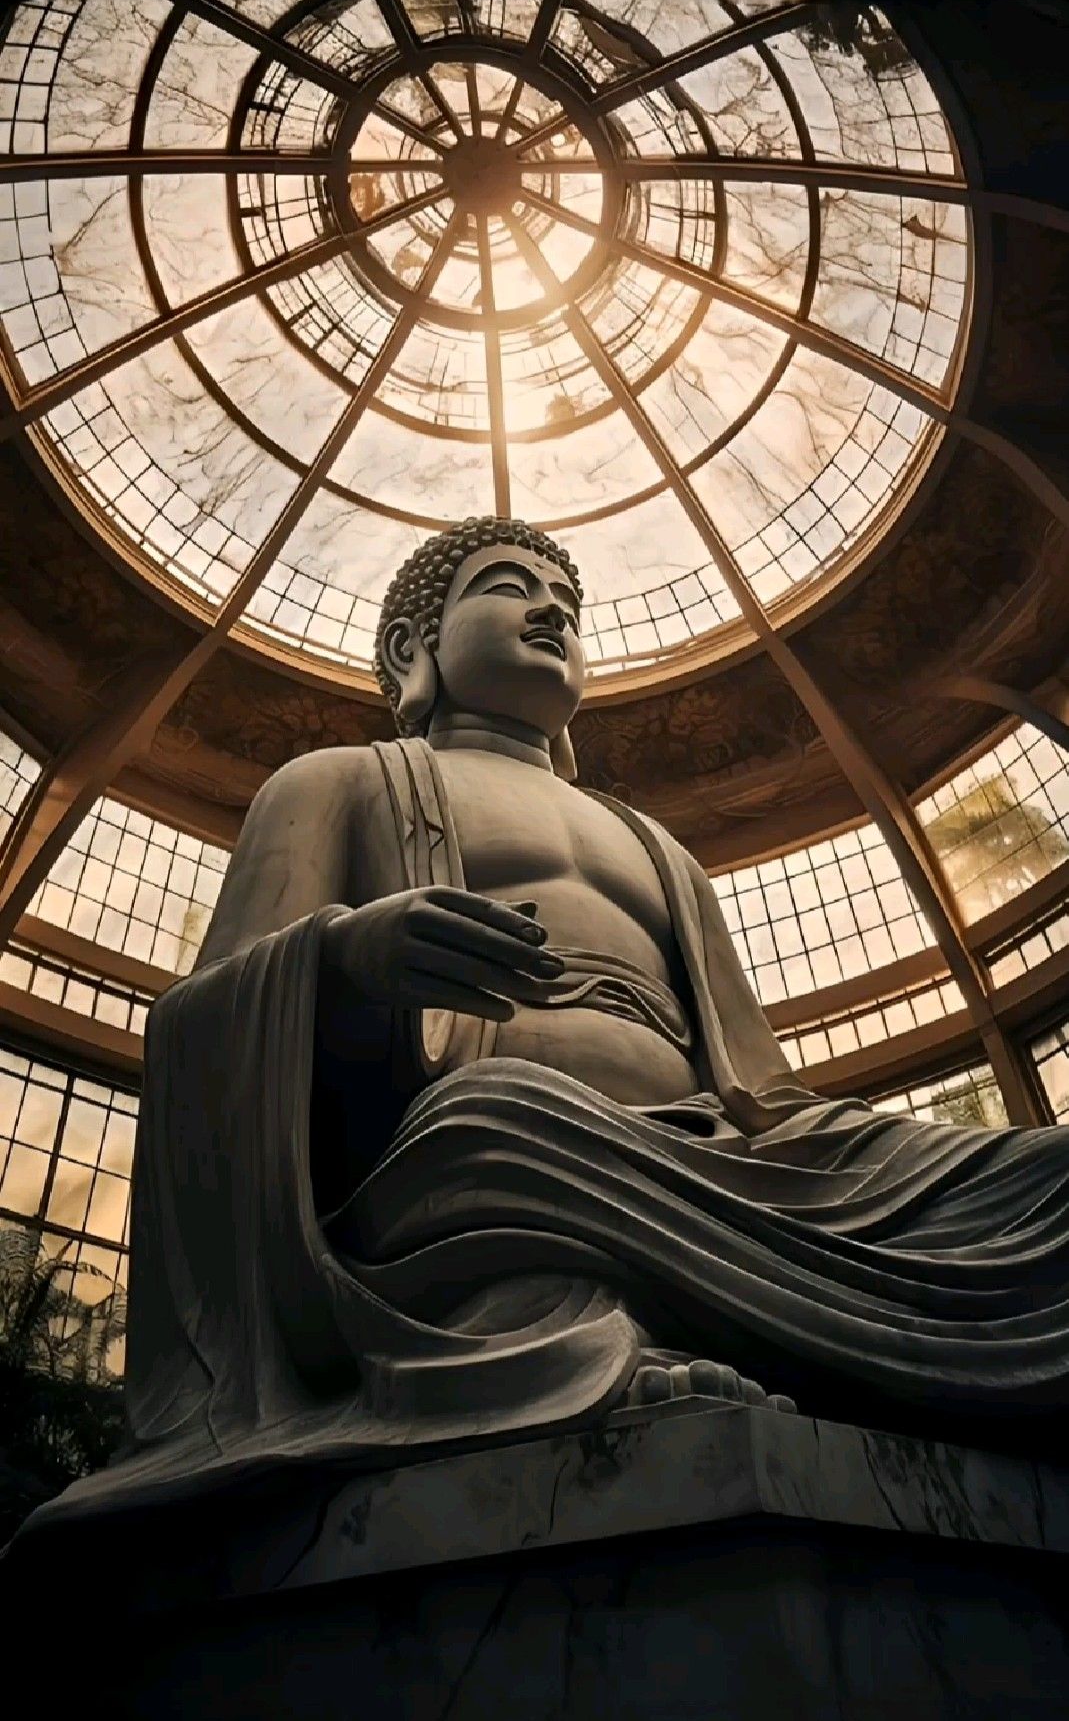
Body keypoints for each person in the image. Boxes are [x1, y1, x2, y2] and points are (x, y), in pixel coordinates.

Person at [24, 517, 1069, 1535]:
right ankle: (566, 1334)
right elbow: (200, 1029)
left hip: (727, 1152)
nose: (550, 609)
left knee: (1040, 1176)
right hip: (479, 1157)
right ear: (411, 645)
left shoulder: (657, 845)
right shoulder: (341, 782)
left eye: (566, 599)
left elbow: (762, 1084)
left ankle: (643, 1318)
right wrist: (341, 961)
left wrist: (819, 1152)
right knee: (494, 1116)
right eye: (507, 586)